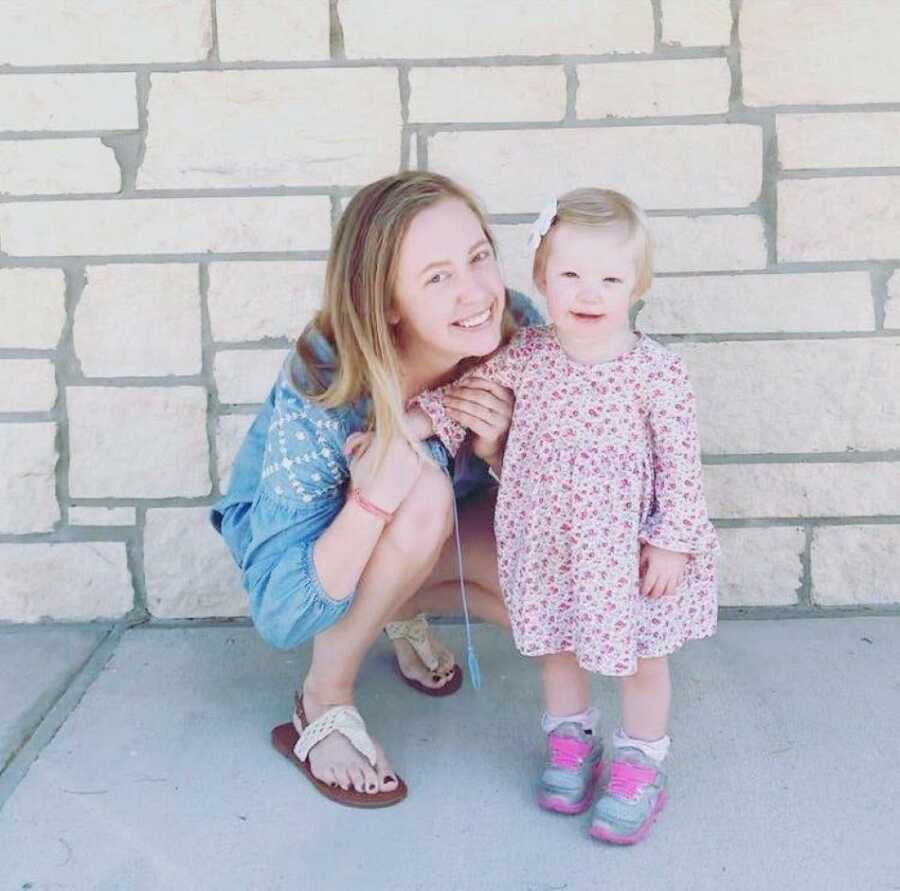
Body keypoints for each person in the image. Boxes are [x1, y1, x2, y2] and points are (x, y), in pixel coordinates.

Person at [210, 171, 543, 807]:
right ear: (387, 301)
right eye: (437, 276)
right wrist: (370, 500)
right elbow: (283, 617)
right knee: (416, 488)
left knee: (550, 599)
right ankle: (323, 700)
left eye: (479, 258)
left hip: (443, 524)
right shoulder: (328, 375)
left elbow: (559, 494)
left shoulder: (513, 329)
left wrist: (500, 448)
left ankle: (394, 602)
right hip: (326, 544)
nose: (477, 292)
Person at [412, 188, 719, 843]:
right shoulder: (527, 355)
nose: (589, 292)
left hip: (626, 548)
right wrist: (416, 420)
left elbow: (682, 468)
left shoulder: (655, 374)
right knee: (557, 648)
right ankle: (572, 741)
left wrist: (671, 543)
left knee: (641, 657)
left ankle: (640, 759)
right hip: (548, 540)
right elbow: (465, 396)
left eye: (610, 277)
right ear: (541, 279)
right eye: (570, 274)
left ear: (636, 285)